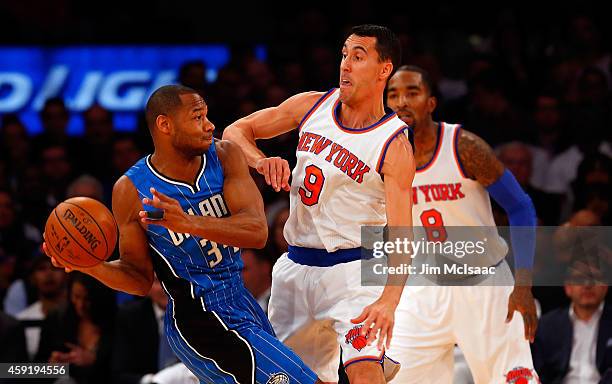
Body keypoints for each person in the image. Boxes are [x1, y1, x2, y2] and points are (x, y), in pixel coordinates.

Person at [43, 84, 320, 384]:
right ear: (165, 125)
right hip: (198, 318)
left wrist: (186, 222)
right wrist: (89, 265)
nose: (210, 125)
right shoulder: (131, 190)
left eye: (207, 115)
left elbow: (256, 232)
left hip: (241, 299)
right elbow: (138, 280)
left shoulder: (224, 155)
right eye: (197, 117)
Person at [224, 24, 415, 384]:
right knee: (295, 377)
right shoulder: (312, 105)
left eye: (358, 57)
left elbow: (403, 235)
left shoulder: (393, 145)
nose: (345, 64)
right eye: (344, 55)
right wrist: (260, 160)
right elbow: (236, 132)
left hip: (355, 270)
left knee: (365, 372)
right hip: (296, 267)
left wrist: (389, 300)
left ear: (384, 69)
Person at [385, 65, 538, 383]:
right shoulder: (382, 157)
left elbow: (520, 207)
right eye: (393, 95)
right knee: (393, 377)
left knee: (513, 379)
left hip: (484, 282)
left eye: (412, 92)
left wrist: (523, 285)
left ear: (430, 102)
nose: (402, 102)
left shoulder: (463, 146)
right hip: (424, 287)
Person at [533, 262, 611, 383]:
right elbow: (537, 372)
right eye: (580, 278)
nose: (587, 285)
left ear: (605, 286)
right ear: (568, 287)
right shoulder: (547, 325)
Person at [35, 272, 116, 384]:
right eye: (76, 297)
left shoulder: (117, 323)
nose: (80, 305)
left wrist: (94, 361)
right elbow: (31, 371)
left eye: (87, 299)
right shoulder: (57, 319)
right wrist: (52, 367)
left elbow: (124, 372)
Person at [111, 276, 178, 384]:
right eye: (157, 281)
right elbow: (120, 373)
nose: (164, 288)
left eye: (168, 280)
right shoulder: (130, 316)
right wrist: (151, 381)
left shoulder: (198, 313)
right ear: (147, 285)